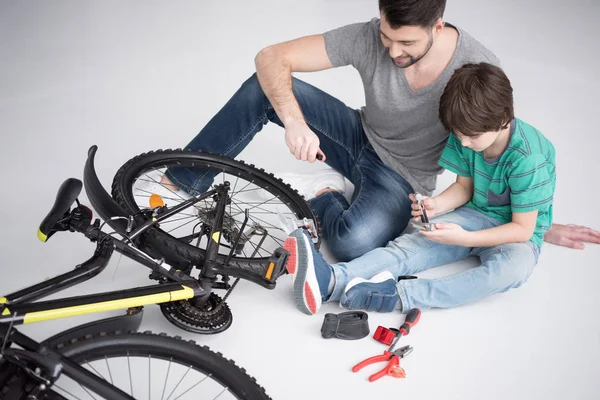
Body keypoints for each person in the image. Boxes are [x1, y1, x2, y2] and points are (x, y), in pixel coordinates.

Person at [154, 0, 599, 261]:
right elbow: (271, 57)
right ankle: (177, 182)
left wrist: (539, 223)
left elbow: (498, 159)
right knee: (261, 90)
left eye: (406, 42)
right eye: (388, 36)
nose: (392, 50)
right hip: (356, 135)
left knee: (351, 244)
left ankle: (326, 193)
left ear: (438, 26)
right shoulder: (372, 36)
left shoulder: (478, 68)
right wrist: (293, 121)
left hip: (402, 177)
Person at [283, 62, 557, 315]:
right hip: (476, 215)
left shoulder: (527, 159)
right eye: (459, 136)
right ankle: (330, 281)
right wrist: (437, 205)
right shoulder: (470, 135)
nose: (463, 144)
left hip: (517, 236)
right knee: (414, 243)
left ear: (503, 120)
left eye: (470, 137)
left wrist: (465, 239)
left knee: (511, 271)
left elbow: (523, 229)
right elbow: (465, 187)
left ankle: (400, 296)